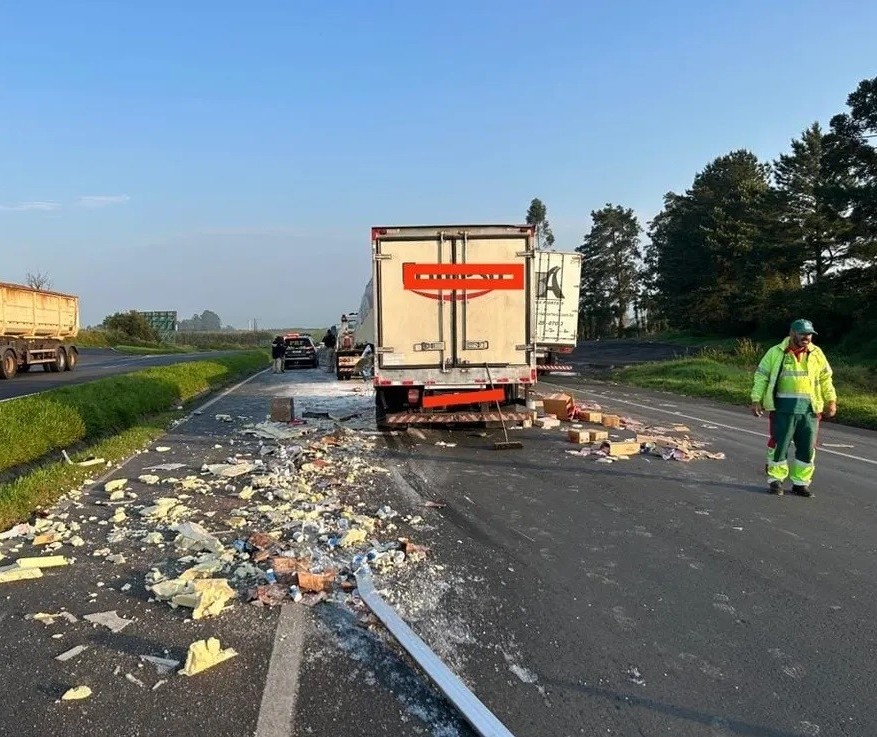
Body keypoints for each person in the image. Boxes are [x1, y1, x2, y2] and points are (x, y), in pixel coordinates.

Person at [750, 319, 837, 497]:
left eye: (810, 334)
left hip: (810, 410)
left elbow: (826, 379)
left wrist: (831, 400)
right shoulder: (776, 352)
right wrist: (756, 399)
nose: (807, 337)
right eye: (803, 333)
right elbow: (761, 377)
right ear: (792, 333)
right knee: (779, 445)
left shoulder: (817, 353)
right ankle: (776, 481)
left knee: (807, 448)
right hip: (783, 409)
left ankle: (800, 484)